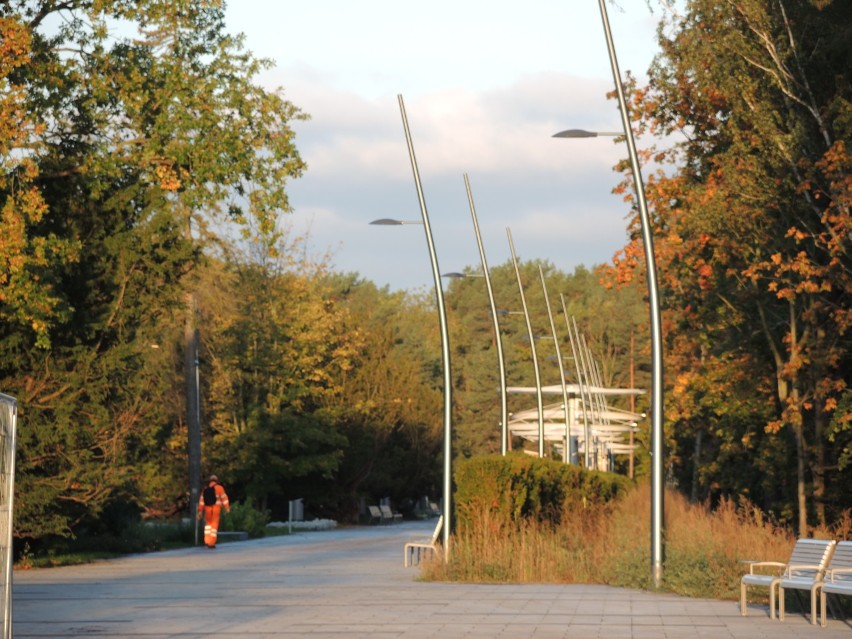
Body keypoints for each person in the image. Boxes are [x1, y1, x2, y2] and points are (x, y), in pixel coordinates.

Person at [198, 474, 230, 548]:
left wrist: (200, 510)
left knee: (208, 525)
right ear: (216, 481)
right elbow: (224, 498)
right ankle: (211, 543)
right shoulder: (219, 488)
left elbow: (202, 501)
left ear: (210, 481)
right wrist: (227, 508)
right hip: (216, 509)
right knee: (214, 526)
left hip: (207, 509)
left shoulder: (205, 489)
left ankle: (206, 540)